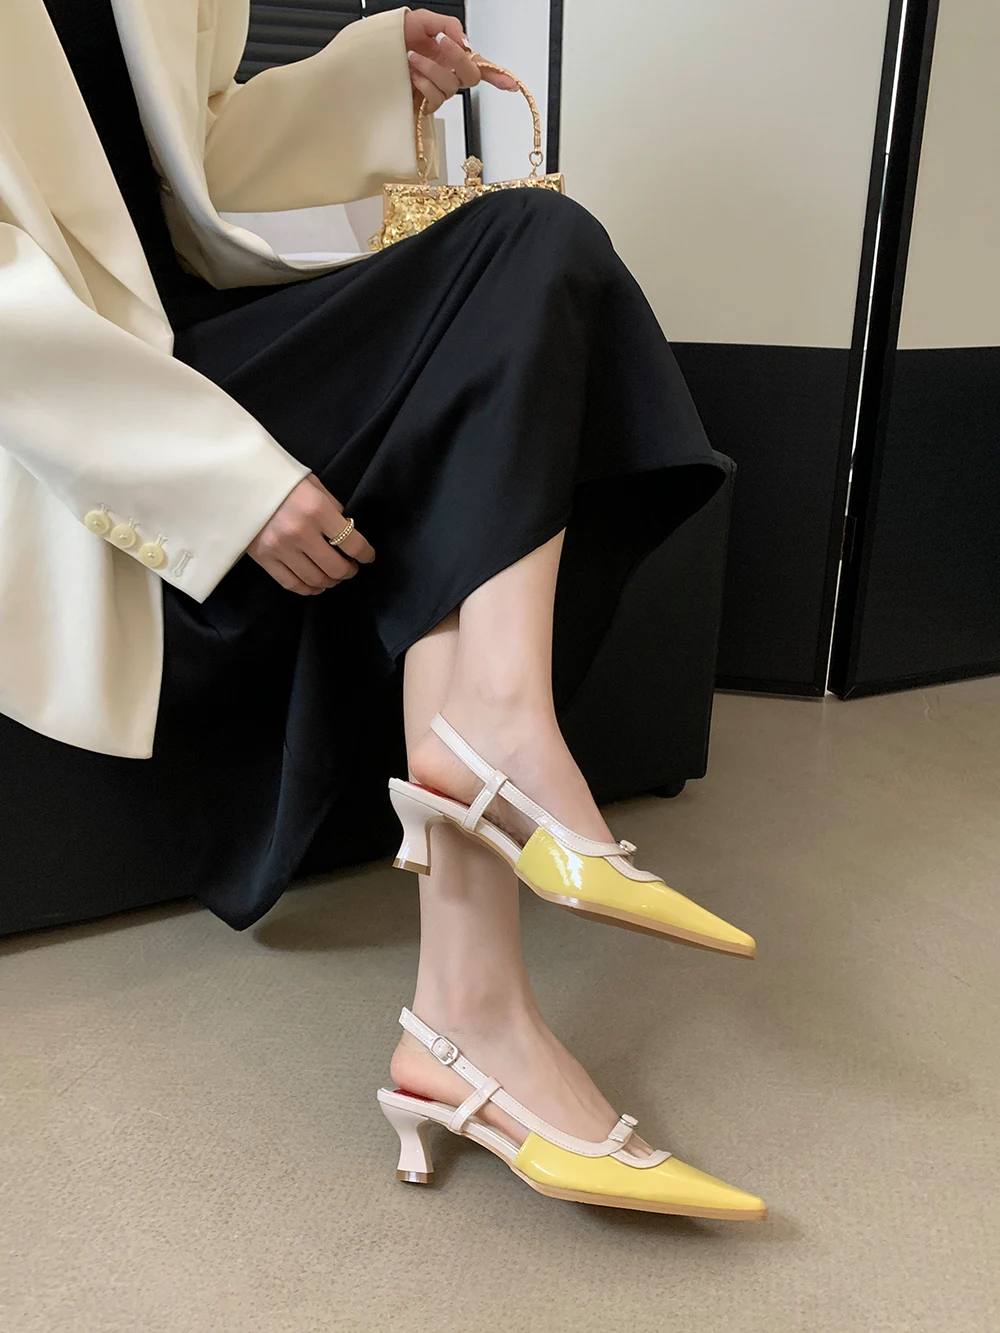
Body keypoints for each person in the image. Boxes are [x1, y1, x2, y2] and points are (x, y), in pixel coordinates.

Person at [0, 0, 763, 1219]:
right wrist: (222, 481)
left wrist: (364, 80)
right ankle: (472, 1001)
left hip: (193, 333)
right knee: (502, 319)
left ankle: (474, 922)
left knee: (535, 243)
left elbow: (181, 156)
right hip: (73, 417)